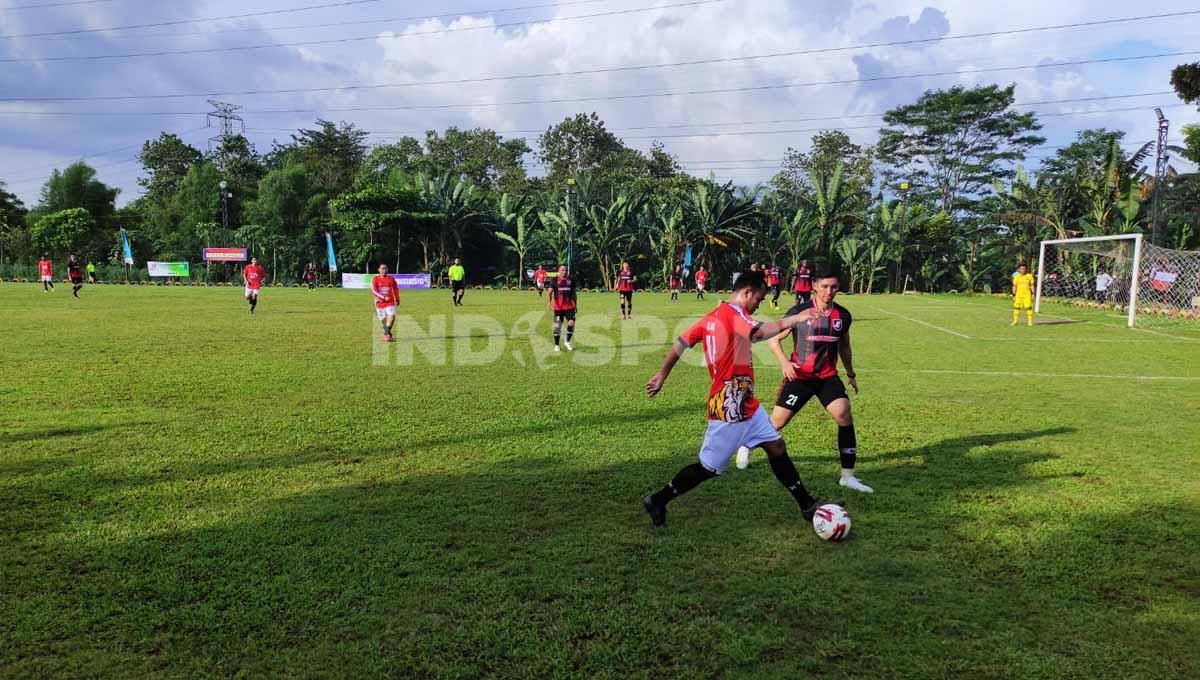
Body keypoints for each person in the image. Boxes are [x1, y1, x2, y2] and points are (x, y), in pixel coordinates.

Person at [641, 270, 837, 529]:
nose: (758, 304)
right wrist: (796, 319)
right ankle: (658, 499)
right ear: (747, 291)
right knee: (708, 468)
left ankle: (806, 504)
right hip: (729, 405)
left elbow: (680, 343)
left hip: (746, 401)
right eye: (758, 298)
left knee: (776, 447)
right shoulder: (733, 315)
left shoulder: (712, 316)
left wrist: (662, 374)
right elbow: (757, 334)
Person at [735, 272, 873, 493]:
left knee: (844, 414)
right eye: (825, 286)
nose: (830, 292)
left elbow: (844, 346)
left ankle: (848, 476)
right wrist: (783, 363)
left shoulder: (842, 316)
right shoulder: (800, 312)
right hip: (799, 378)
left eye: (834, 287)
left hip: (827, 377)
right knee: (776, 424)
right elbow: (773, 339)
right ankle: (746, 444)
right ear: (815, 286)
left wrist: (851, 374)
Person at [548, 265, 576, 352]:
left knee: (571, 322)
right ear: (559, 271)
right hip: (558, 308)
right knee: (557, 326)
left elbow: (574, 294)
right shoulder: (554, 280)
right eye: (562, 270)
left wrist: (576, 305)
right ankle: (556, 345)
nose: (564, 272)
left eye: (566, 270)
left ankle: (567, 341)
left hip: (569, 306)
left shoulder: (571, 280)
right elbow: (549, 292)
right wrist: (549, 302)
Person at [372, 263, 401, 342]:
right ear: (379, 270)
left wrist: (397, 298)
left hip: (390, 302)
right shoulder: (375, 279)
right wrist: (383, 297)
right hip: (379, 302)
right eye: (382, 269)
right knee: (384, 322)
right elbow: (374, 291)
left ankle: (386, 335)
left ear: (387, 270)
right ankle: (388, 334)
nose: (384, 270)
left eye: (385, 269)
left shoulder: (391, 279)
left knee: (392, 317)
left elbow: (395, 289)